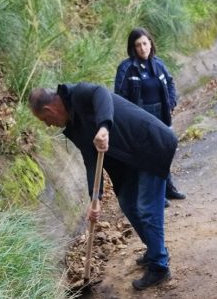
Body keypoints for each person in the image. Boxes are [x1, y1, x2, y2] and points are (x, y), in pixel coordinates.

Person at [28, 83, 176, 290]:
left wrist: (104, 127)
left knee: (146, 208)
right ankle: (155, 249)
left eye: (45, 120)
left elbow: (102, 93)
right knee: (128, 204)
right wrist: (94, 199)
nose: (48, 125)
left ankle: (160, 266)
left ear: (49, 110)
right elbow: (90, 161)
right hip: (130, 161)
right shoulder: (73, 127)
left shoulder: (78, 94)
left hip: (150, 145)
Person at [114, 27, 186, 207]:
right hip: (141, 119)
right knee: (148, 157)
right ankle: (156, 195)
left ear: (151, 44)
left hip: (161, 115)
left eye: (145, 43)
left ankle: (168, 188)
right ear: (133, 48)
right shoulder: (126, 68)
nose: (142, 48)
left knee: (165, 150)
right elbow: (120, 97)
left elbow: (169, 83)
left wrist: (171, 103)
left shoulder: (158, 64)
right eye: (138, 45)